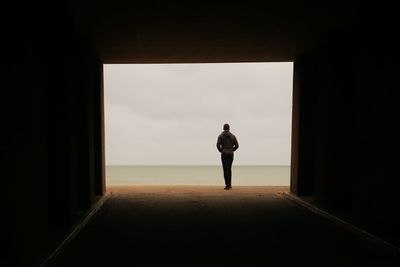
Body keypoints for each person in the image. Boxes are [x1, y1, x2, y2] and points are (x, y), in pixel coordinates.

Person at [216, 123, 239, 190]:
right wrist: (232, 150)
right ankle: (230, 185)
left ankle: (227, 185)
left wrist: (221, 150)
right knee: (229, 169)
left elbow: (217, 145)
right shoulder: (233, 136)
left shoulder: (220, 136)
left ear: (223, 128)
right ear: (229, 128)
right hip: (230, 154)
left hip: (224, 154)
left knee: (225, 169)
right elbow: (237, 146)